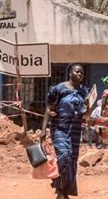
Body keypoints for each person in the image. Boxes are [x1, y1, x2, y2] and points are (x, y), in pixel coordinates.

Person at [40, 64, 90, 199]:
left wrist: (87, 109)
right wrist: (43, 129)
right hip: (59, 128)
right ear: (70, 73)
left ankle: (64, 192)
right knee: (64, 156)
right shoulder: (59, 89)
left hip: (75, 130)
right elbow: (49, 108)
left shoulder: (84, 91)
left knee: (72, 161)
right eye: (77, 71)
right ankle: (59, 187)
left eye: (82, 73)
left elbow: (86, 113)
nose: (80, 74)